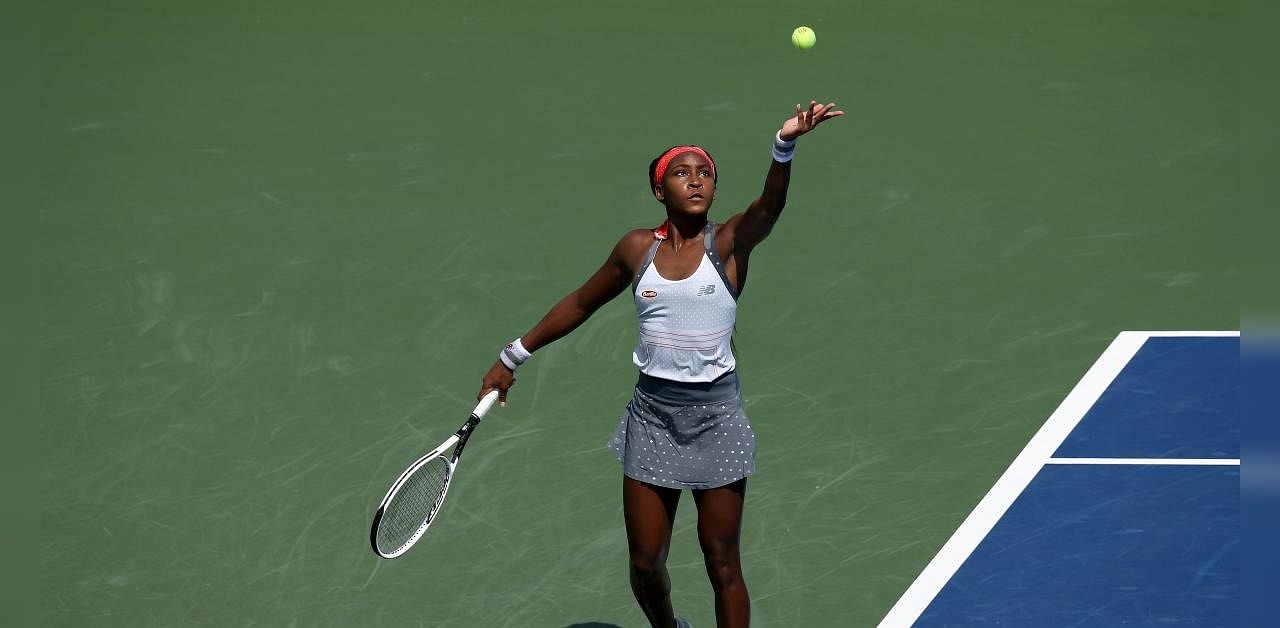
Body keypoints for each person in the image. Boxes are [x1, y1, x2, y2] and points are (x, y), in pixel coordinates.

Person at [477, 100, 843, 628]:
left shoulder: (731, 242)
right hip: (652, 421)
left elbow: (771, 205)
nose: (696, 182)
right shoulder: (635, 249)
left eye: (705, 175)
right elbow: (581, 303)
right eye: (681, 173)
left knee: (723, 563)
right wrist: (512, 355)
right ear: (659, 190)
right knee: (646, 564)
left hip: (717, 421)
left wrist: (784, 144)